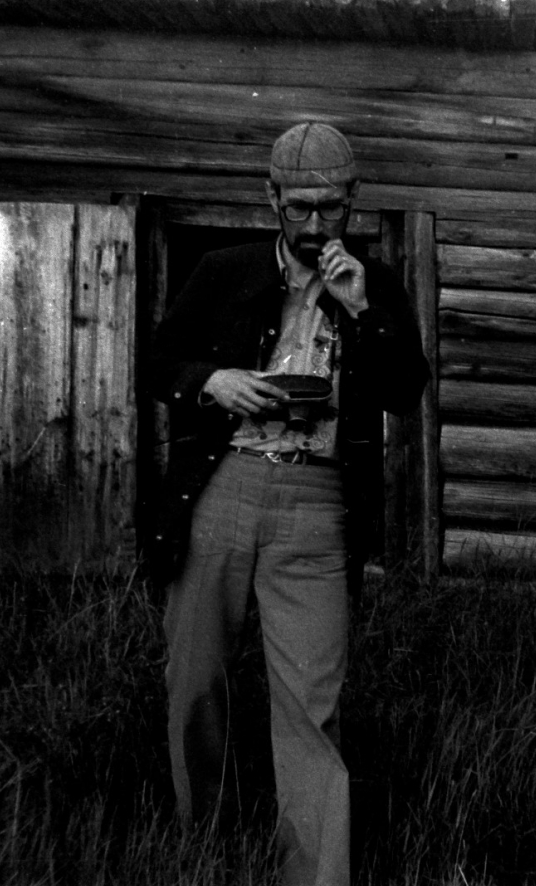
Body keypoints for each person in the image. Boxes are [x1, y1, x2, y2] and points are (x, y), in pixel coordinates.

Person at [150, 121, 429, 885]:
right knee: (194, 682)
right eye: (299, 206)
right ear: (271, 197)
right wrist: (212, 381)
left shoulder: (374, 283)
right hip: (223, 484)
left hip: (317, 500)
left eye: (331, 207)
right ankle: (199, 841)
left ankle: (313, 876)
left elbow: (405, 391)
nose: (314, 224)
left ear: (353, 200)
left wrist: (361, 309)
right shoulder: (223, 270)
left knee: (310, 703)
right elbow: (159, 360)